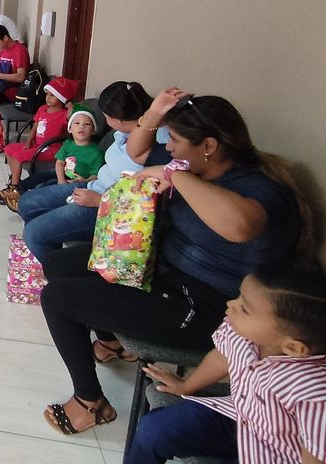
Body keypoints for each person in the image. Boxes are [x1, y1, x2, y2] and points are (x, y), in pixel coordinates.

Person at [39, 95, 310, 439]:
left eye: (176, 140)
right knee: (58, 264)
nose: (169, 148)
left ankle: (91, 402)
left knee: (57, 298)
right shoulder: (194, 167)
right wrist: (156, 132)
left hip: (207, 307)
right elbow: (138, 151)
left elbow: (240, 226)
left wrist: (174, 176)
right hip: (164, 271)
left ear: (208, 146)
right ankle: (110, 343)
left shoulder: (257, 187)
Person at [127, 265, 326, 464]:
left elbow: (315, 454)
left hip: (280, 453)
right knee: (154, 429)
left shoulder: (314, 390)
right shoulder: (240, 330)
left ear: (292, 347)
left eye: (245, 309)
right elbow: (221, 358)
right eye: (239, 296)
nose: (231, 304)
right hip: (238, 415)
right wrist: (186, 386)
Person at [18, 81, 167, 262]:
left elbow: (145, 199)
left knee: (33, 234)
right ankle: (53, 251)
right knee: (27, 202)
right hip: (92, 185)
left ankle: (59, 270)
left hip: (109, 206)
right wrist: (88, 180)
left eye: (106, 116)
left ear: (117, 119)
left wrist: (100, 200)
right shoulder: (124, 132)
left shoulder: (158, 144)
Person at [0, 102, 103, 211]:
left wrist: (85, 180)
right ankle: (16, 190)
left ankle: (24, 203)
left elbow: (95, 176)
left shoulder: (96, 152)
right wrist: (61, 179)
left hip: (76, 183)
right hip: (63, 174)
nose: (81, 126)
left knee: (47, 186)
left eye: (87, 124)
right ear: (70, 128)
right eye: (77, 123)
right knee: (40, 176)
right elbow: (60, 162)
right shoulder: (68, 143)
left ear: (93, 130)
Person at [0, 76, 76, 202]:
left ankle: (15, 188)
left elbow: (72, 115)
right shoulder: (42, 109)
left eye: (52, 95)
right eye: (47, 94)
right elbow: (34, 128)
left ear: (61, 98)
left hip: (50, 149)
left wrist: (70, 104)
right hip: (37, 145)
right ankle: (15, 180)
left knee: (18, 156)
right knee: (9, 149)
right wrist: (28, 142)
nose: (48, 98)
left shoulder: (63, 115)